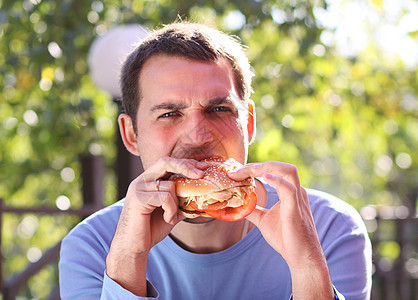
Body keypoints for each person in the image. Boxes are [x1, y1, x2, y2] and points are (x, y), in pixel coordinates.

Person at [59, 21, 372, 299]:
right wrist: (128, 259)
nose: (198, 135)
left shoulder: (330, 227)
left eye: (219, 110)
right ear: (131, 135)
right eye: (169, 114)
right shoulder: (92, 247)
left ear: (248, 125)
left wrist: (307, 266)